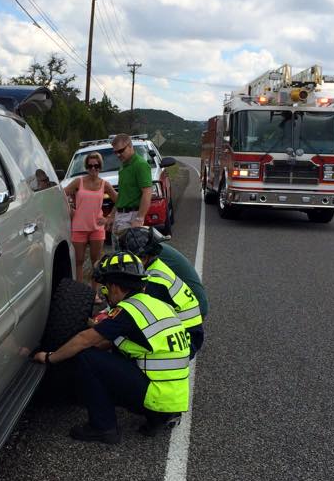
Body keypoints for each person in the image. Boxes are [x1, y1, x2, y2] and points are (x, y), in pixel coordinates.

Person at [32, 251, 191, 444]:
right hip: (174, 400)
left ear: (115, 287)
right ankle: (159, 417)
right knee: (108, 355)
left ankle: (102, 427)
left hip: (156, 398)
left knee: (86, 357)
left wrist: (49, 357)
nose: (104, 292)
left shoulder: (128, 311)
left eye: (105, 287)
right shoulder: (157, 305)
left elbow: (84, 340)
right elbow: (115, 339)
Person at [118, 227, 205, 357]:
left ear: (142, 256)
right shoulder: (155, 266)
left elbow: (134, 314)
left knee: (120, 341)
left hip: (186, 338)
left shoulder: (153, 281)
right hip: (189, 329)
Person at [62, 152, 117, 296]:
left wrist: (109, 217)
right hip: (79, 227)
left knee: (96, 262)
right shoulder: (78, 182)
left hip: (96, 228)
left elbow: (119, 199)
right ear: (86, 167)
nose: (93, 169)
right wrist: (71, 210)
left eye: (96, 165)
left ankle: (94, 294)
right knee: (78, 262)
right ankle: (80, 294)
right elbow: (62, 195)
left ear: (100, 166)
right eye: (90, 166)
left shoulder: (104, 184)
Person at [108, 134, 152, 244]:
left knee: (129, 256)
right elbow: (122, 195)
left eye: (121, 151)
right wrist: (112, 215)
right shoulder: (123, 166)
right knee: (119, 254)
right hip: (120, 216)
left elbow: (147, 192)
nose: (118, 155)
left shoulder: (140, 165)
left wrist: (139, 218)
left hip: (132, 216)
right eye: (115, 152)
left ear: (130, 146)